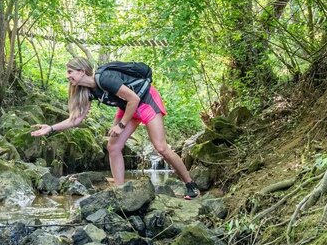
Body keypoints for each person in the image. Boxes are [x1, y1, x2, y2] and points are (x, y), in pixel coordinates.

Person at [31, 57, 200, 199]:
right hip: (128, 107)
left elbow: (134, 99)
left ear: (82, 71)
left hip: (146, 100)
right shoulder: (88, 91)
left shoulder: (104, 78)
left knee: (161, 147)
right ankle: (121, 191)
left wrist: (121, 125)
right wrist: (50, 128)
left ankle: (191, 185)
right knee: (113, 147)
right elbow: (75, 120)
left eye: (70, 72)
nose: (67, 76)